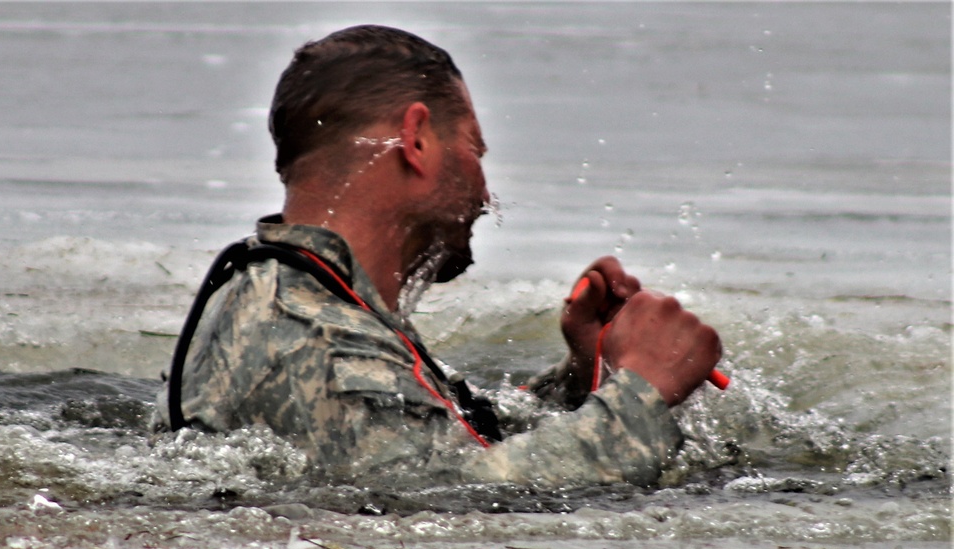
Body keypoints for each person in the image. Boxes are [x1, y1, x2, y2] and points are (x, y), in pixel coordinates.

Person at [155, 25, 722, 490]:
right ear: (418, 139)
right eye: (474, 149)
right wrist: (645, 388)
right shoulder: (318, 340)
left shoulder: (304, 295)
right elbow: (449, 500)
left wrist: (581, 378)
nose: (485, 192)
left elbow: (434, 442)